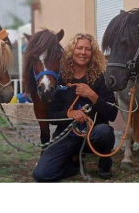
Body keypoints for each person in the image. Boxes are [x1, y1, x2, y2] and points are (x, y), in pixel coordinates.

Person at [32, 33, 118, 182]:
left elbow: (112, 113)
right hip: (67, 136)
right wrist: (69, 113)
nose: (83, 52)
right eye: (79, 48)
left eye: (87, 49)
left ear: (93, 53)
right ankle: (72, 165)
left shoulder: (101, 78)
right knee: (41, 175)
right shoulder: (60, 79)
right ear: (72, 51)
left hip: (93, 135)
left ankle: (105, 164)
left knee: (105, 131)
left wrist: (92, 95)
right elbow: (51, 115)